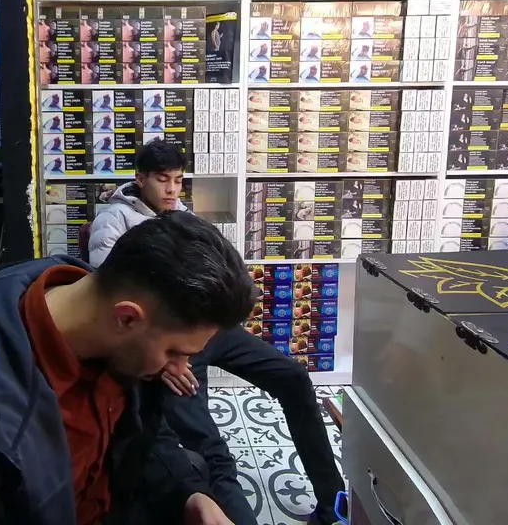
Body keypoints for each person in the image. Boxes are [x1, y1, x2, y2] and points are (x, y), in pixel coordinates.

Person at [0, 211, 256, 525]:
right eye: (175, 352)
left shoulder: (92, 302)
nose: (180, 367)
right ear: (127, 318)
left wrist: (188, 495)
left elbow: (141, 431)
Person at [87, 141, 343, 525]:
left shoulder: (184, 217)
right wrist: (167, 359)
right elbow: (114, 301)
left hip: (208, 331)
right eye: (162, 180)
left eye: (178, 180)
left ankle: (333, 504)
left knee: (293, 377)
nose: (172, 189)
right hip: (167, 346)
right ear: (140, 179)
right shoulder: (114, 222)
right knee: (212, 451)